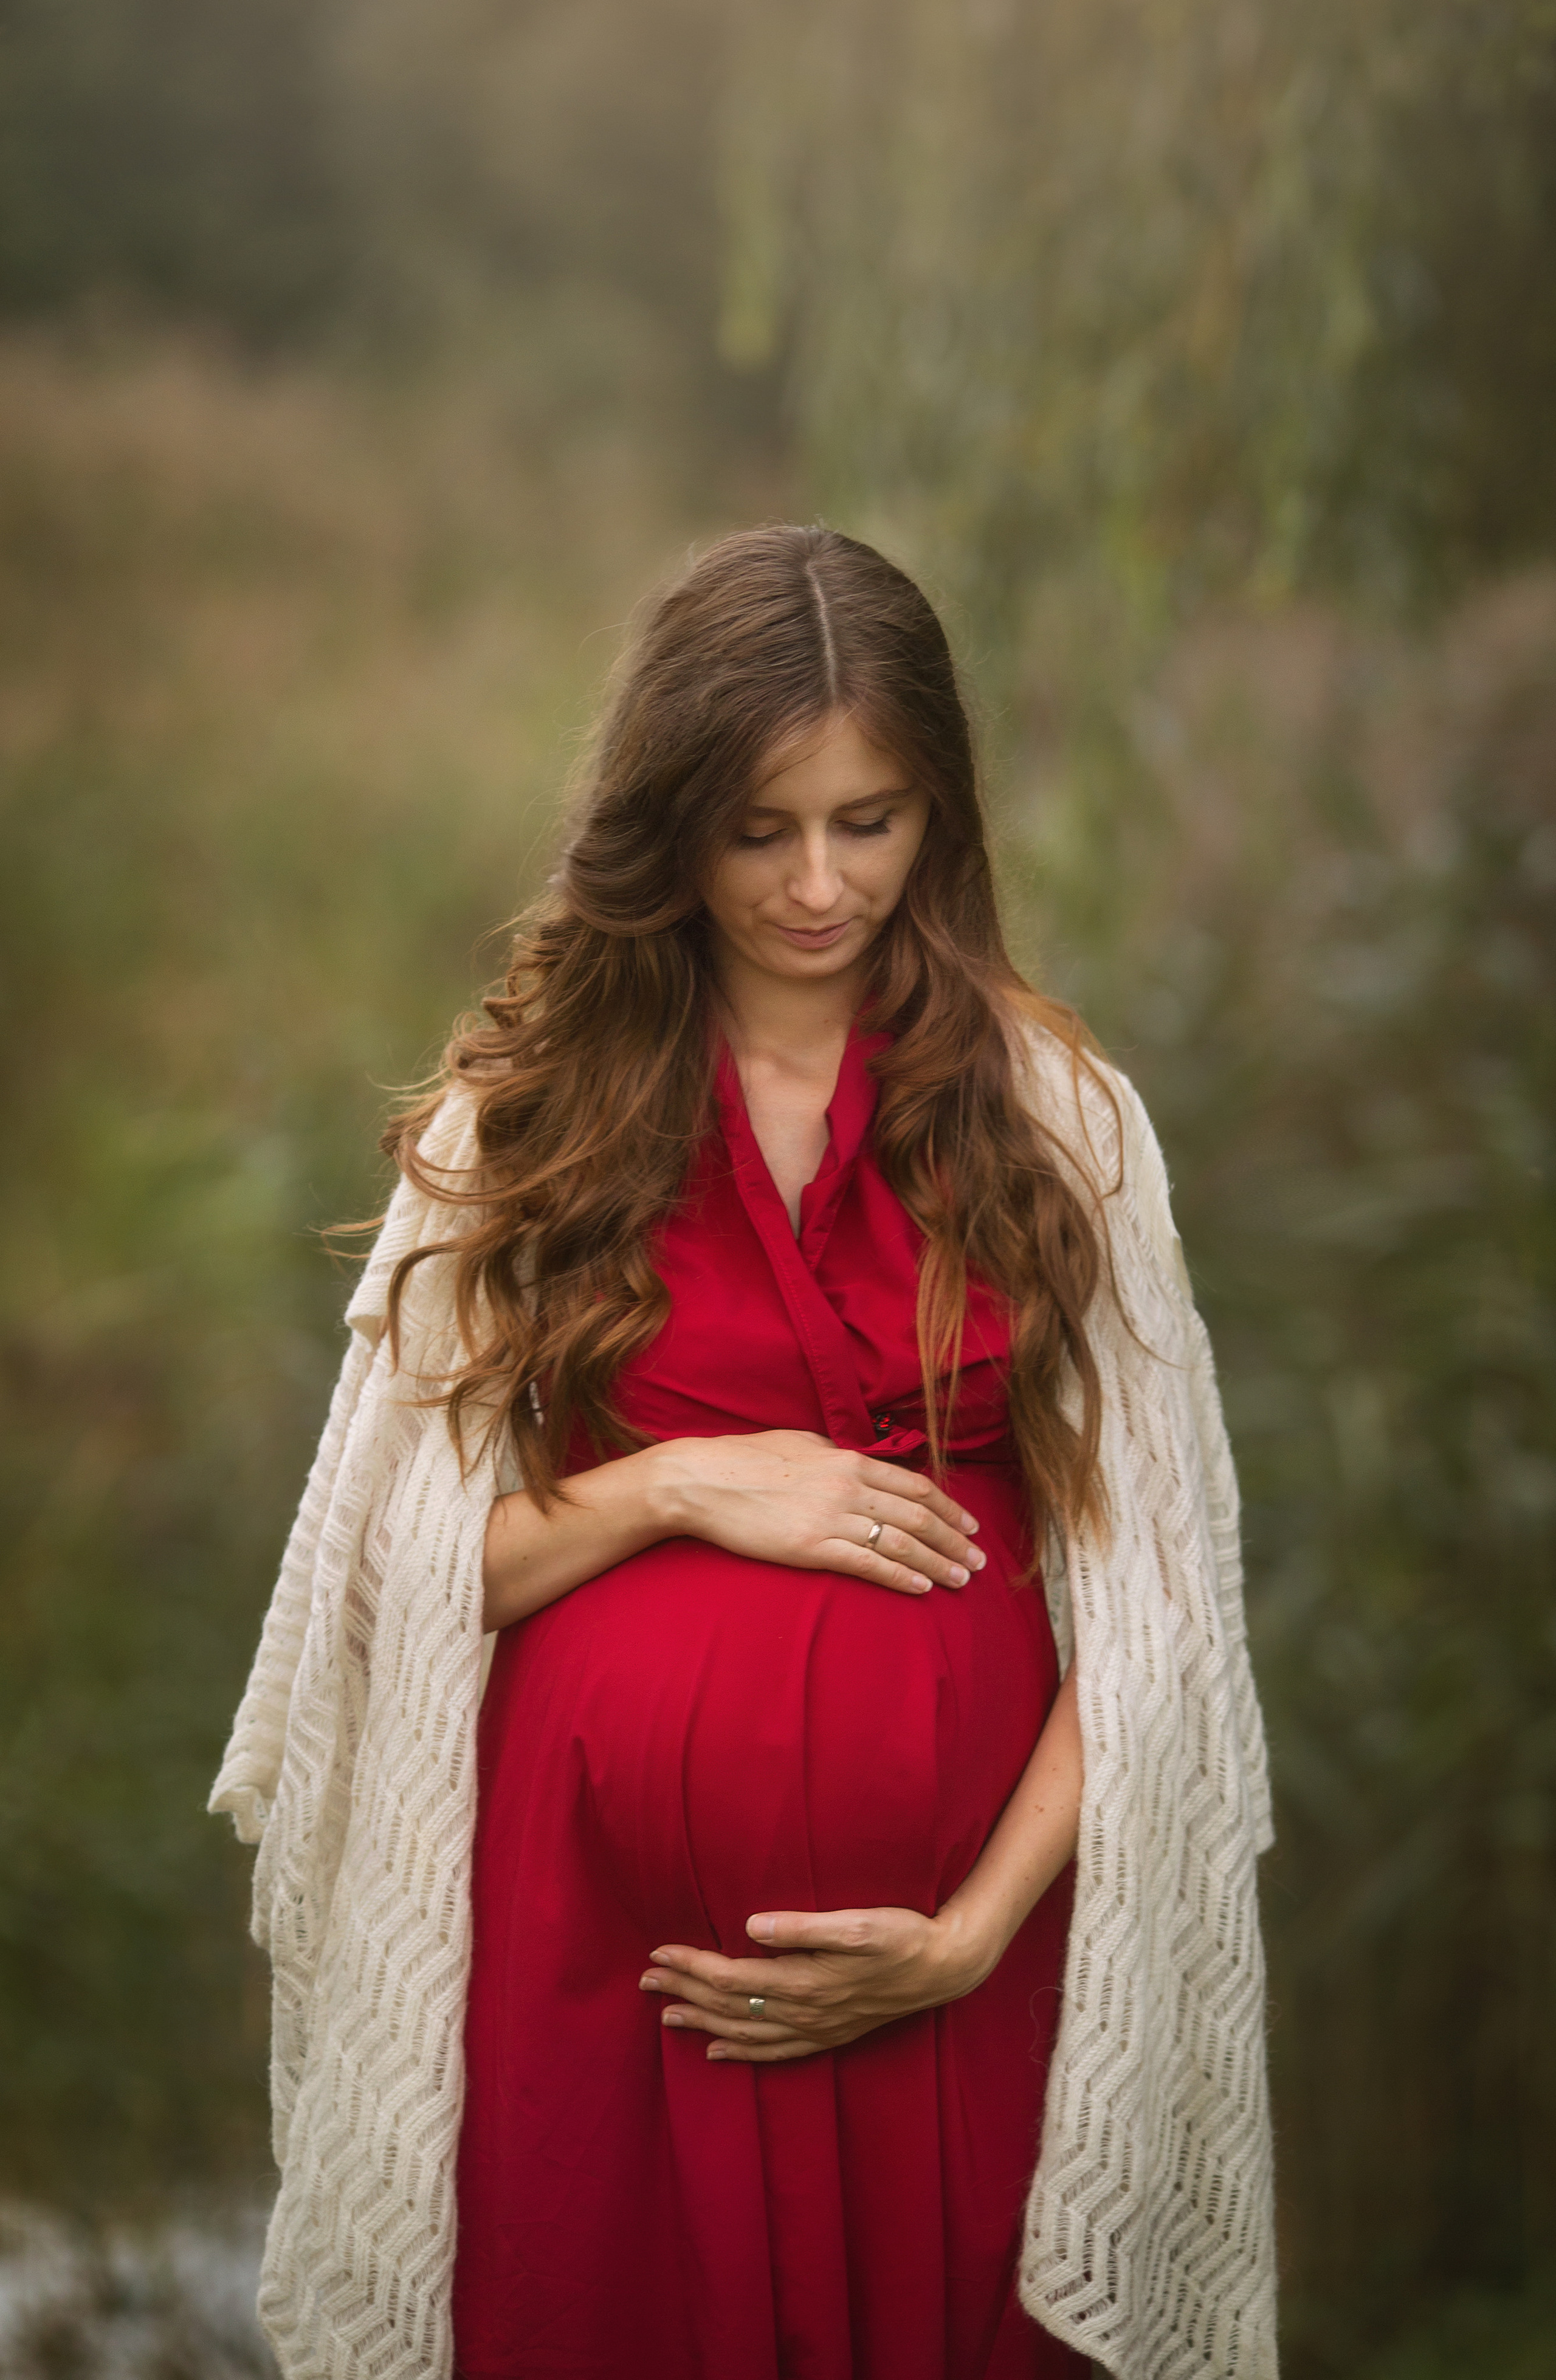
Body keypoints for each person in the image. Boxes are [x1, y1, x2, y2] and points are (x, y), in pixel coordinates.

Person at [212, 526, 1278, 2380]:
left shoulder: (1060, 1122)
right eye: (758, 829)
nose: (816, 883)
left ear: (938, 812)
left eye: (868, 821)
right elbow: (392, 1567)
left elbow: (1162, 1605)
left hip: (957, 1967)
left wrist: (960, 1935)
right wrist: (677, 1483)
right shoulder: (525, 1121)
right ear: (668, 823)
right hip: (596, 1973)